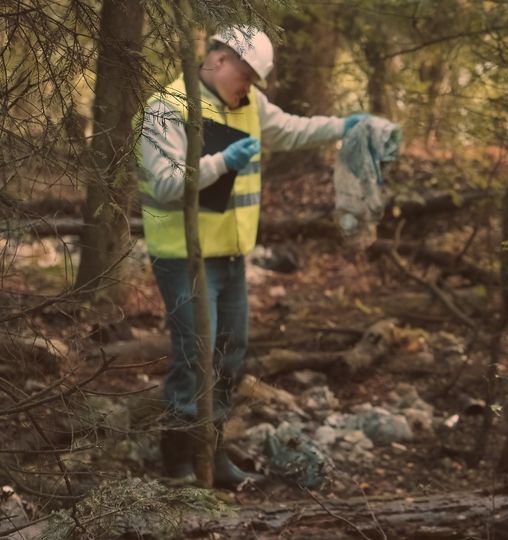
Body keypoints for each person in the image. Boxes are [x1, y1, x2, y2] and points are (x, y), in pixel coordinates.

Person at [137, 25, 369, 489]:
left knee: (230, 355)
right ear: (219, 59)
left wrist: (345, 126)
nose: (250, 86)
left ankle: (213, 453)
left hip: (231, 255)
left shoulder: (251, 106)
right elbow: (165, 183)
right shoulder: (167, 107)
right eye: (246, 74)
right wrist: (221, 163)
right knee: (194, 355)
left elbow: (291, 128)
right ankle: (179, 463)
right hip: (184, 257)